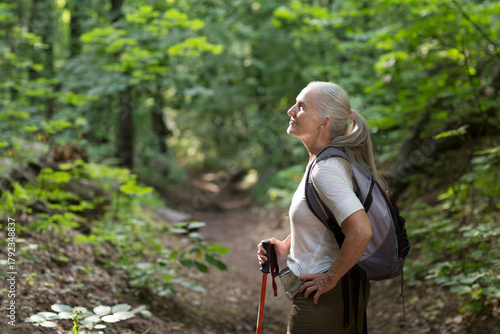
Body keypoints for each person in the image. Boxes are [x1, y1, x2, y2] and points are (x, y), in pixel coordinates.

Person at [257, 81, 388, 334]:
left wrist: (330, 278)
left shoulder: (326, 170)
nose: (291, 111)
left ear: (324, 122)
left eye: (302, 106)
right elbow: (330, 223)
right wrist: (286, 245)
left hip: (323, 300)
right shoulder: (324, 162)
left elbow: (361, 231)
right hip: (340, 295)